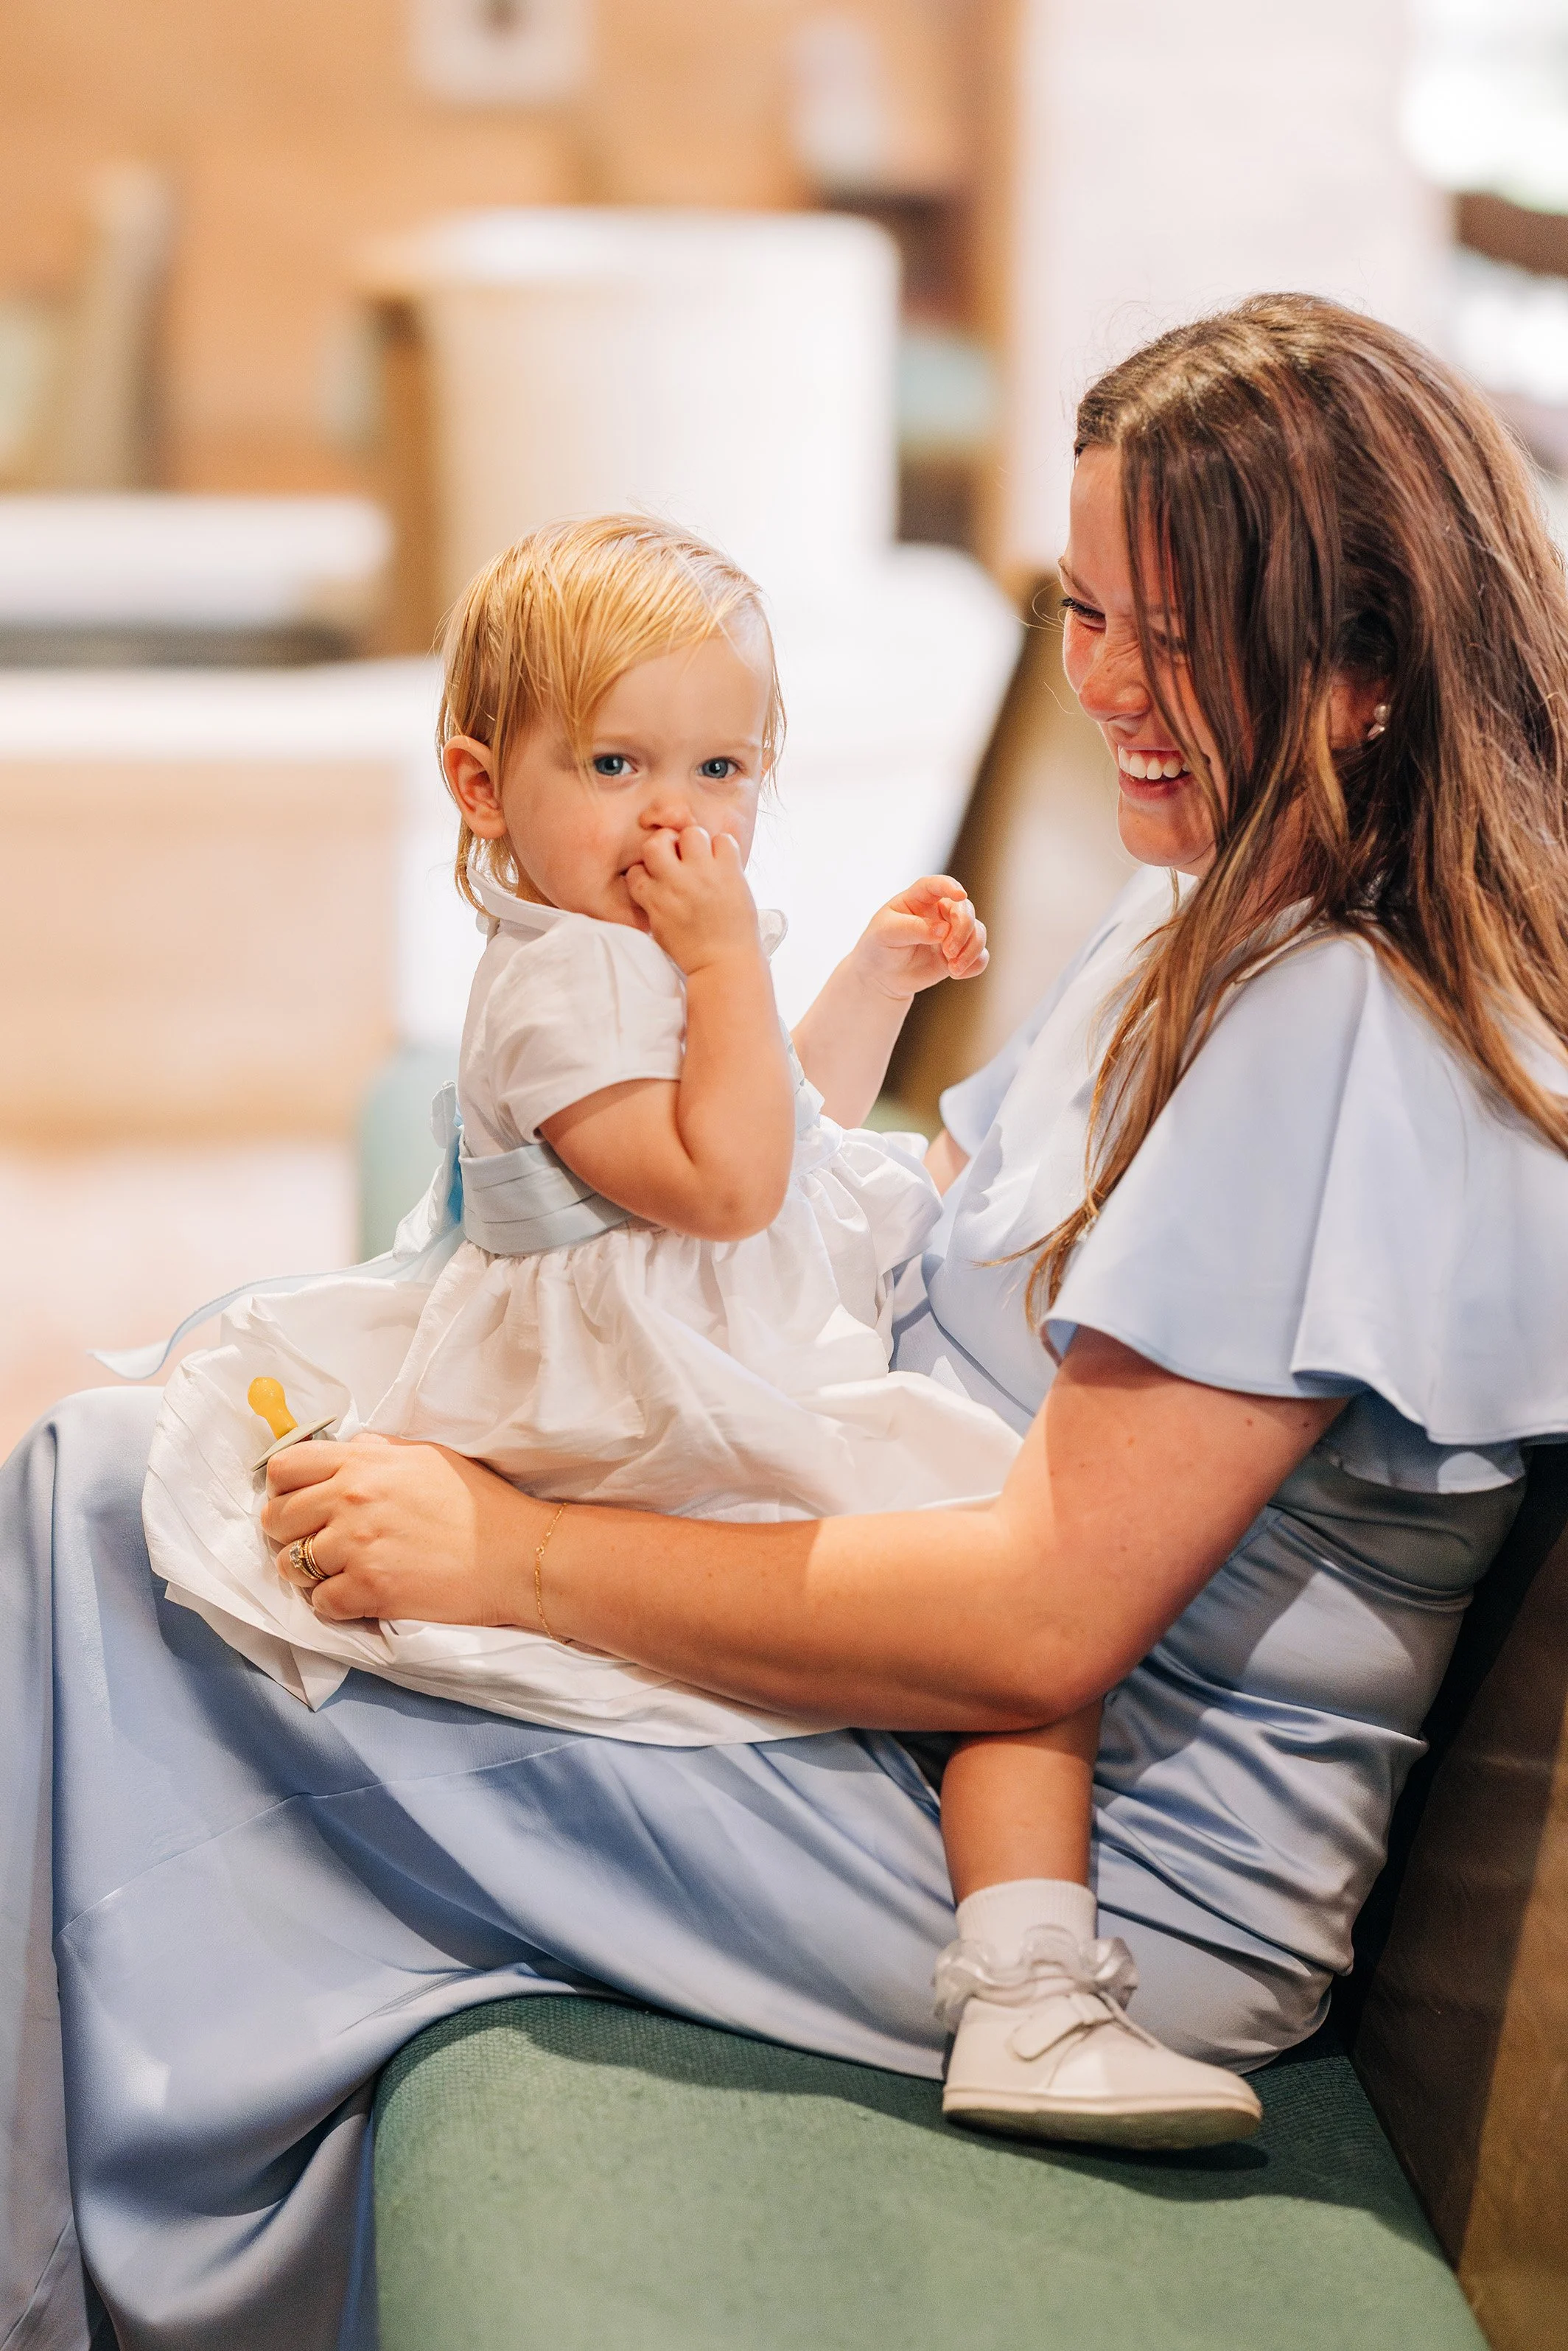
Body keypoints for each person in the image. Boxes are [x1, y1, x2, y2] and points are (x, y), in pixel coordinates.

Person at [7, 290, 1568, 2351]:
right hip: (903, 1681)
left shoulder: (1348, 1037)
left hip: (1077, 1877)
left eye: (1165, 637)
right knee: (182, 1440)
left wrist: (527, 1553)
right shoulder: (1214, 900)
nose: (1105, 683)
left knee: (121, 1538)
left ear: (1365, 665)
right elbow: (936, 1211)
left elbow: (1037, 1624)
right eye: (1082, 610)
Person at [142, 511, 1257, 2145]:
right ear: (478, 784)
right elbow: (728, 1182)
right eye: (612, 763)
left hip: (674, 1347)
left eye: (721, 770)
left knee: (991, 1597)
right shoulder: (561, 985)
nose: (677, 814)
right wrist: (729, 956)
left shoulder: (624, 954)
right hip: (622, 1407)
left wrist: (865, 981)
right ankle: (1024, 1988)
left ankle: (1023, 1973)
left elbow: (783, 1123)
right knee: (994, 1605)